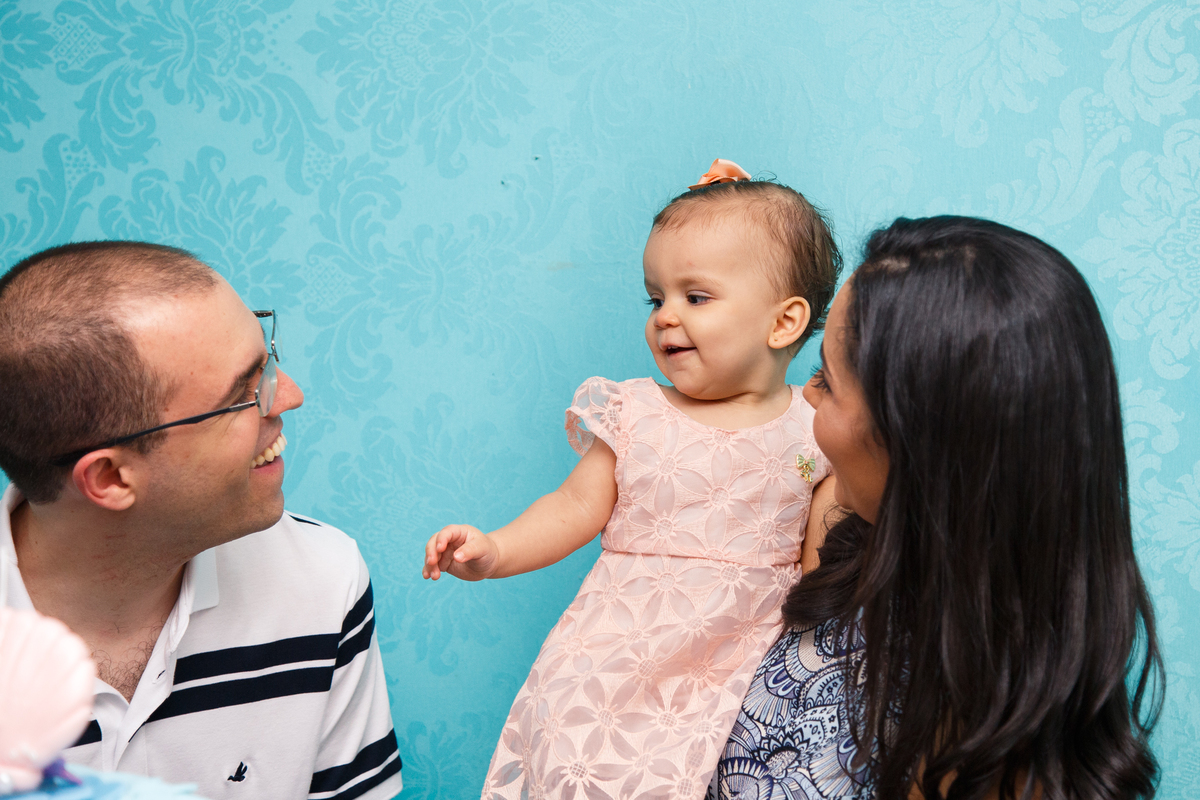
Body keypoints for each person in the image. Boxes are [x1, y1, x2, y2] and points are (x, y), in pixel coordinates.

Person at [423, 159, 843, 799]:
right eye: (656, 297)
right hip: (612, 661)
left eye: (695, 297)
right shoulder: (636, 411)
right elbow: (573, 505)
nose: (666, 316)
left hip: (740, 665)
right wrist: (497, 550)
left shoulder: (815, 430)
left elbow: (823, 556)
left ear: (784, 322)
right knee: (582, 770)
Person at [708, 216, 1164, 800]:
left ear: (918, 444)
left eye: (826, 378)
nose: (805, 396)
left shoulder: (1002, 763)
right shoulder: (840, 529)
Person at [0, 242, 404, 800]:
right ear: (112, 479)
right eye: (244, 393)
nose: (288, 396)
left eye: (268, 364)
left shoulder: (321, 579)